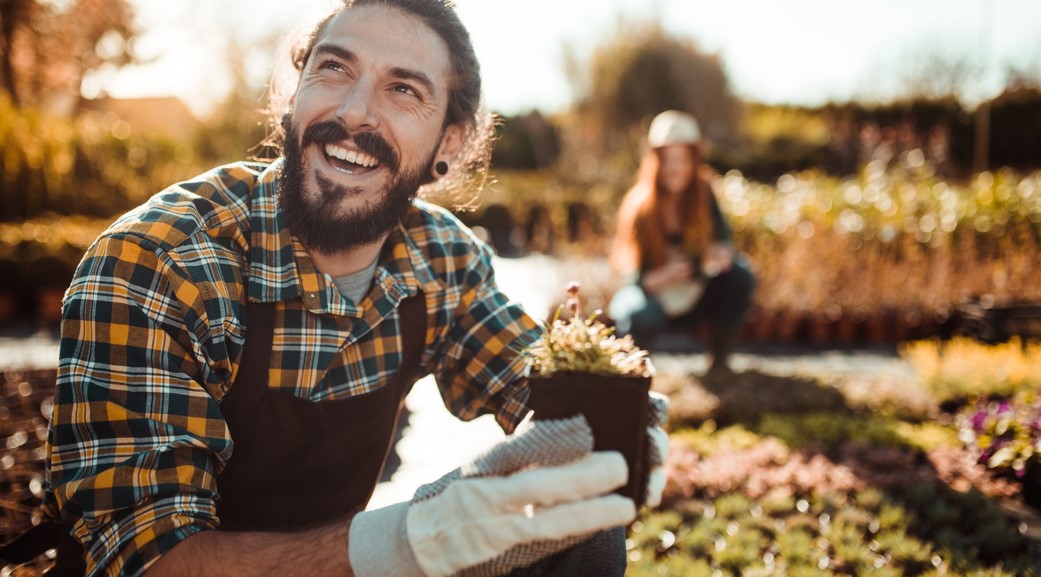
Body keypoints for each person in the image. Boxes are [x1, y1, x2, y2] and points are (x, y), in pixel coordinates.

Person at [18, 2, 668, 576]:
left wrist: (622, 422)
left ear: (449, 142)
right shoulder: (162, 262)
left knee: (579, 522)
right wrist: (401, 542)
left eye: (403, 90)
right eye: (333, 69)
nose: (355, 111)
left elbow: (539, 389)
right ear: (293, 94)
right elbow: (148, 561)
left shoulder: (442, 259)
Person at [608, 110, 755, 382]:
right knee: (639, 315)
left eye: (683, 160)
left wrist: (720, 255)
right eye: (667, 160)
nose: (675, 168)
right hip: (651, 295)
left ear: (694, 160)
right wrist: (666, 276)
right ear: (655, 161)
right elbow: (632, 275)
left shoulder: (704, 194)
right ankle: (633, 377)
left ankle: (719, 365)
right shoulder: (640, 205)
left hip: (693, 293)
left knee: (741, 274)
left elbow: (724, 242)